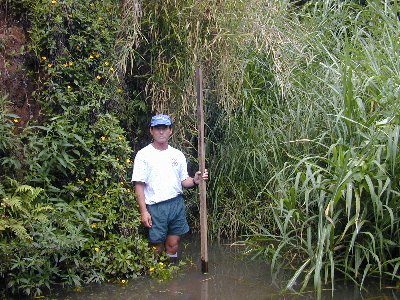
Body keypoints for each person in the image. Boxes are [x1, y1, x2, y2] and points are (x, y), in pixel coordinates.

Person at [131, 114, 208, 262]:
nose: (161, 132)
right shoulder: (143, 155)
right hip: (155, 207)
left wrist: (196, 180)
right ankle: (155, 276)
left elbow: (184, 181)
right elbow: (139, 185)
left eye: (164, 128)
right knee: (156, 247)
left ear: (170, 131)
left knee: (173, 244)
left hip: (176, 205)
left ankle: (172, 276)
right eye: (157, 128)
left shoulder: (177, 155)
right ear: (151, 131)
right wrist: (143, 211)